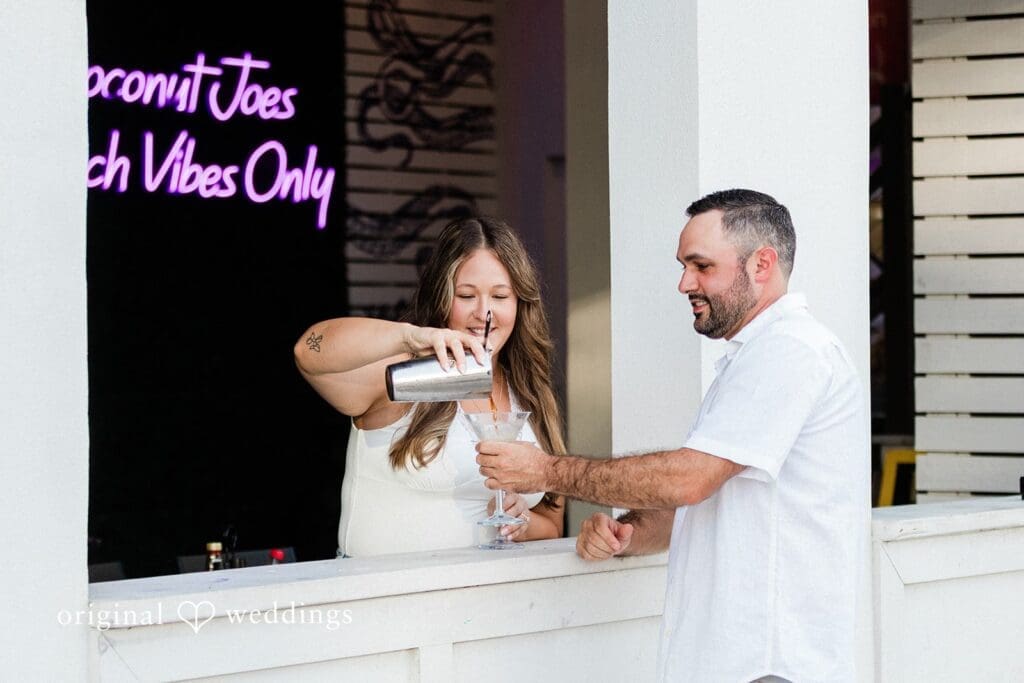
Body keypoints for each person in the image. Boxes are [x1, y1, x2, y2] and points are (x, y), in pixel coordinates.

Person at [476, 190, 869, 682]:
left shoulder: (791, 351)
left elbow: (691, 479)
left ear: (762, 264)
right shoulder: (755, 355)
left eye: (701, 266)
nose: (685, 283)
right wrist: (633, 532)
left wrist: (547, 470)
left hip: (769, 664)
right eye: (684, 266)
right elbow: (714, 492)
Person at [295, 217, 566, 557]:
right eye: (466, 295)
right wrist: (408, 336)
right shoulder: (407, 374)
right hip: (389, 599)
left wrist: (524, 521)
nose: (485, 313)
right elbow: (309, 351)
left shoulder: (530, 391)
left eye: (500, 296)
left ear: (520, 303)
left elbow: (553, 524)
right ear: (442, 296)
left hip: (491, 603)